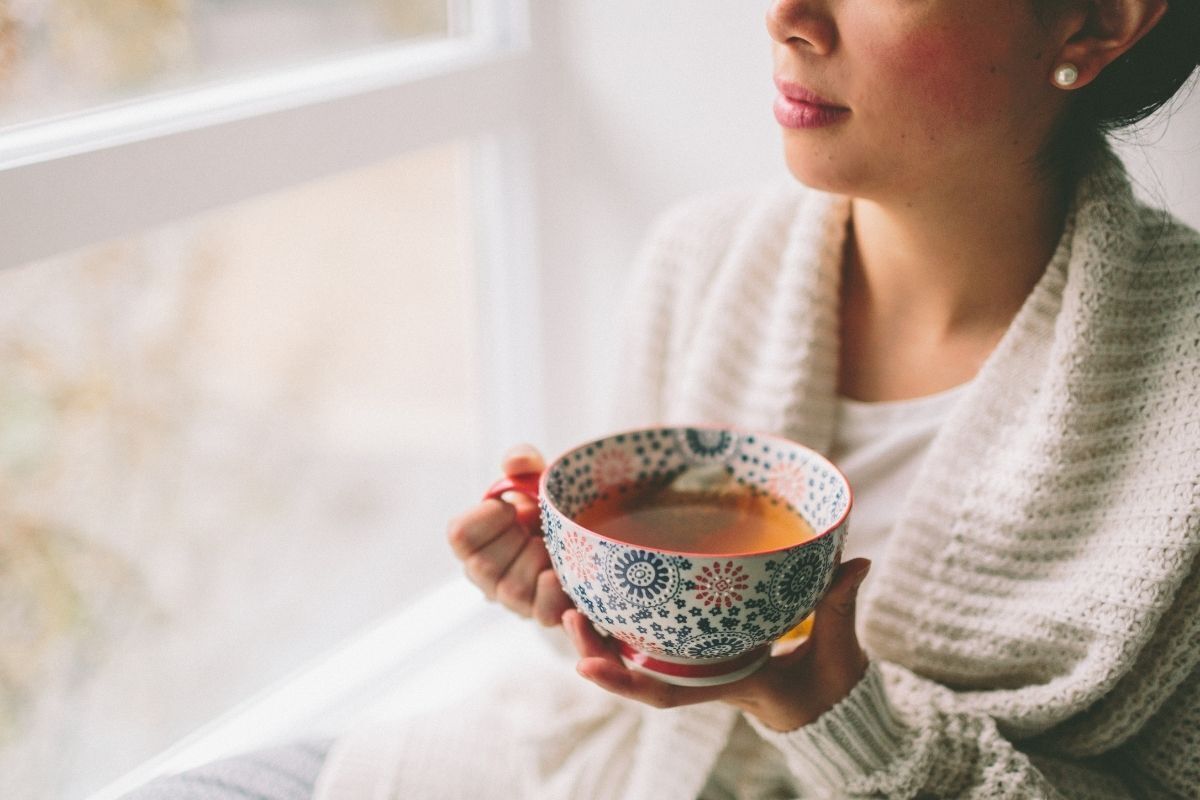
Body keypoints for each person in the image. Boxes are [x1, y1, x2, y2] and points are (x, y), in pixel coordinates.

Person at [128, 0, 1199, 797]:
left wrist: (835, 713)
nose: (787, 17)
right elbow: (643, 673)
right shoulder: (704, 261)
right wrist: (577, 590)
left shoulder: (1180, 397)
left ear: (1097, 21)